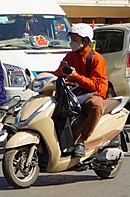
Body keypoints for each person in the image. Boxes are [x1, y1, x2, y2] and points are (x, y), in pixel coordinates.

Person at [52, 23, 109, 159]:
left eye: (74, 40)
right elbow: (58, 73)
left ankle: (82, 142)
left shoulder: (96, 59)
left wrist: (77, 77)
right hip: (76, 93)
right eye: (71, 39)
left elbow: (96, 85)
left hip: (93, 94)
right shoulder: (70, 57)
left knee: (96, 106)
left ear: (86, 41)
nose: (72, 43)